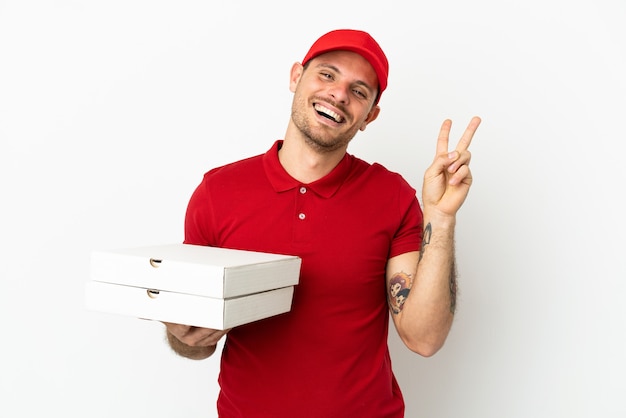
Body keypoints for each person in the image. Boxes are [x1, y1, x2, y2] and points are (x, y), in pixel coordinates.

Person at [163, 28, 481, 417]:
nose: (339, 94)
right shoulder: (218, 192)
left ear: (370, 116)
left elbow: (424, 338)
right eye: (327, 75)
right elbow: (192, 338)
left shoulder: (392, 197)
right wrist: (185, 336)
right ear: (296, 76)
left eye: (359, 91)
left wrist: (441, 217)